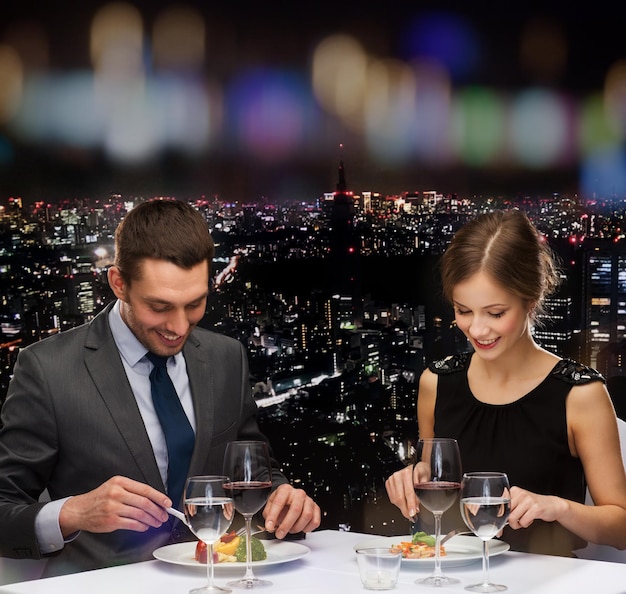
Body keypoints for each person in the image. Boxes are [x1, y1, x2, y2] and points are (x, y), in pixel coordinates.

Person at [0, 199, 320, 576]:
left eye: (195, 303)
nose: (180, 326)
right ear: (118, 283)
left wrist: (283, 499)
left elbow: (251, 468)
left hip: (218, 579)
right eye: (159, 306)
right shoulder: (48, 369)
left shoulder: (226, 357)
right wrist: (74, 512)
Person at [385, 209, 626, 556]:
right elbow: (433, 489)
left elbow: (621, 528)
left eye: (496, 313)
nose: (478, 330)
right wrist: (412, 477)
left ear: (531, 300)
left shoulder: (580, 394)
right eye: (463, 311)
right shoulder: (435, 383)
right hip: (451, 580)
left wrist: (557, 507)